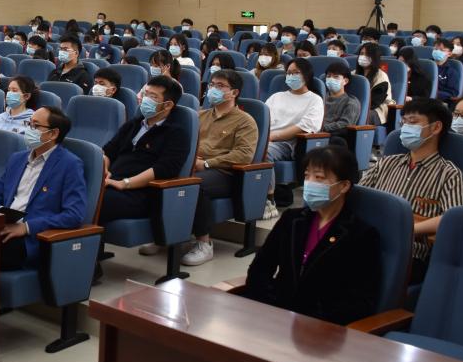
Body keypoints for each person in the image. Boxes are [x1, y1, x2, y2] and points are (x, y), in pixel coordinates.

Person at [244, 146, 381, 325]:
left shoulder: (361, 234)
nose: (310, 183)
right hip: (277, 318)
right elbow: (260, 268)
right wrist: (271, 307)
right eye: (307, 176)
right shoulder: (292, 219)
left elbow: (360, 301)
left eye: (319, 178)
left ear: (344, 185)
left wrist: (311, 322)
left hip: (321, 328)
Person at [360, 98, 463, 283]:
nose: (405, 128)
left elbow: (455, 219)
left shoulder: (449, 174)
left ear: (436, 127)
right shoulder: (386, 163)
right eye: (403, 122)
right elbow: (359, 196)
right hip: (369, 241)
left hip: (408, 254)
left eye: (413, 122)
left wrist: (406, 229)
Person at [0, 106, 87, 270]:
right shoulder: (17, 159)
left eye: (35, 126)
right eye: (28, 123)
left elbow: (74, 215)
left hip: (31, 238)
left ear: (53, 133)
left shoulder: (70, 165)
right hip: (2, 226)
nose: (28, 129)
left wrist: (27, 227)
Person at [97, 77, 189, 255]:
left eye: (153, 97)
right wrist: (104, 170)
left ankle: (88, 260)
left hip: (140, 193)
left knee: (95, 200)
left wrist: (124, 183)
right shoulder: (134, 123)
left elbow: (164, 169)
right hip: (112, 182)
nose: (145, 100)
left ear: (168, 105)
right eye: (146, 94)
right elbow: (108, 151)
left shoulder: (176, 133)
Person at [179, 70, 260, 266]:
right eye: (212, 84)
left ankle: (204, 244)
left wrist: (207, 163)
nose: (213, 89)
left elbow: (244, 154)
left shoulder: (245, 121)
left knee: (195, 185)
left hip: (225, 173)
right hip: (195, 166)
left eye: (220, 86)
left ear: (234, 92)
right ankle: (168, 236)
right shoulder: (200, 115)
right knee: (164, 178)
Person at [265, 58, 325, 212]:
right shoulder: (276, 97)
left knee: (263, 152)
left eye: (296, 73)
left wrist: (273, 136)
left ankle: (269, 200)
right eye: (289, 73)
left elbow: (305, 126)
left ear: (306, 75)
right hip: (266, 138)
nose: (291, 76)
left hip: (288, 144)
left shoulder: (314, 100)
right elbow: (263, 119)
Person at [321, 62, 360, 144]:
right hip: (311, 133)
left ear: (345, 81)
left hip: (331, 136)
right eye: (328, 76)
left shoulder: (351, 102)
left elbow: (345, 124)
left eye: (336, 77)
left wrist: (321, 128)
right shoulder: (319, 98)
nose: (331, 79)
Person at [356, 43, 391, 125]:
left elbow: (375, 102)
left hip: (376, 110)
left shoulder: (381, 76)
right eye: (361, 54)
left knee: (356, 115)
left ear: (374, 57)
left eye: (367, 54)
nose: (363, 56)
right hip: (356, 107)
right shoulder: (353, 74)